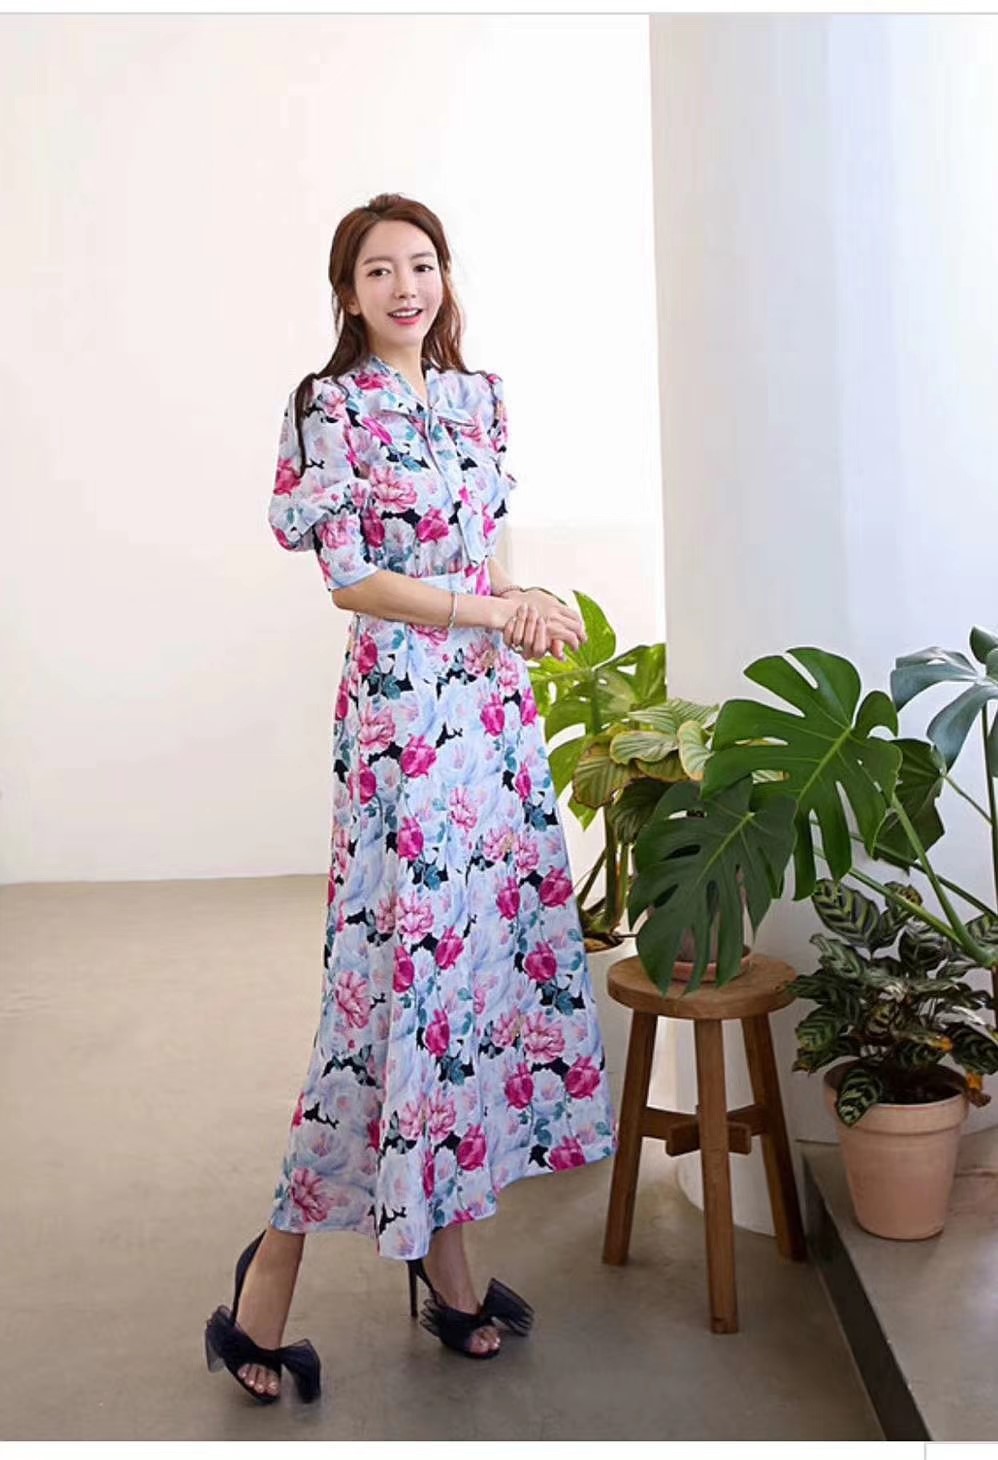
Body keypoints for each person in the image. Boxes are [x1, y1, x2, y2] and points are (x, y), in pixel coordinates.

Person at [204, 193, 618, 1404]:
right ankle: (264, 1286)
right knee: (384, 989)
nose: (404, 287)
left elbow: (486, 548)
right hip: (401, 720)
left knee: (467, 984)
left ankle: (447, 1266)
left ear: (444, 276)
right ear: (347, 291)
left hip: (488, 715)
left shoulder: (480, 395)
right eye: (378, 269)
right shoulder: (328, 405)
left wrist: (519, 605)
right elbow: (350, 580)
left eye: (421, 264)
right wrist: (486, 609)